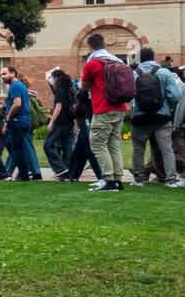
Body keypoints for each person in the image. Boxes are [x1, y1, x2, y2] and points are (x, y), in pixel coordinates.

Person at [79, 33, 131, 191]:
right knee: (114, 144)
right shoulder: (117, 60)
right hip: (120, 107)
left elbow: (84, 86)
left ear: (90, 46)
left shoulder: (92, 63)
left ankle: (108, 179)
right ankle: (117, 179)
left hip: (103, 107)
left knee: (98, 143)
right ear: (104, 45)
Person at [128, 46, 182, 188]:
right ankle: (170, 179)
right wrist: (165, 103)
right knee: (167, 149)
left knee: (139, 149)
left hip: (140, 117)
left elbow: (128, 95)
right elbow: (176, 95)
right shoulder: (164, 72)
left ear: (140, 59)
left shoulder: (134, 74)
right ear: (153, 57)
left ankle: (139, 179)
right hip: (161, 117)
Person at [0, 66, 33, 181]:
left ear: (13, 73)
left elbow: (17, 104)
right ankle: (23, 171)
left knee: (17, 148)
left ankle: (24, 174)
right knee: (11, 146)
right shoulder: (21, 86)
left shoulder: (15, 86)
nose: (2, 77)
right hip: (22, 120)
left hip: (17, 120)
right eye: (1, 75)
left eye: (4, 74)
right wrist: (6, 124)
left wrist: (8, 118)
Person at [43, 69, 77, 179]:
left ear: (57, 78)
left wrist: (51, 122)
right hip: (69, 123)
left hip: (60, 123)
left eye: (51, 78)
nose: (51, 80)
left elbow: (59, 106)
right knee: (67, 149)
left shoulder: (60, 91)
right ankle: (66, 173)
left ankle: (60, 168)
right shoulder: (71, 90)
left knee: (48, 145)